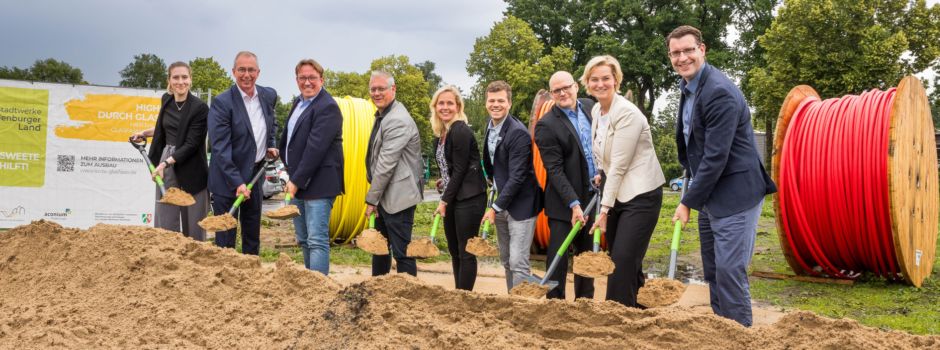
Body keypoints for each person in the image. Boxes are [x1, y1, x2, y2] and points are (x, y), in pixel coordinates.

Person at [667, 25, 777, 326]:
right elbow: (695, 146)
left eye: (688, 50)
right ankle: (721, 332)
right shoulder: (689, 88)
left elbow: (716, 156)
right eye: (676, 53)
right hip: (713, 195)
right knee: (714, 269)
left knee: (730, 271)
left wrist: (687, 201)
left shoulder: (718, 92)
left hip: (736, 195)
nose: (682, 57)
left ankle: (740, 335)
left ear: (702, 49)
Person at [582, 55, 665, 307]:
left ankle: (615, 316)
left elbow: (619, 164)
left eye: (606, 78)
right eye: (594, 79)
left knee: (621, 260)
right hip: (616, 191)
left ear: (616, 80)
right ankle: (638, 309)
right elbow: (602, 152)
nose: (600, 84)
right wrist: (599, 170)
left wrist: (604, 210)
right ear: (587, 82)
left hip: (641, 195)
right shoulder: (597, 109)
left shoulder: (627, 113)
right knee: (625, 260)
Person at [207, 51, 279, 255]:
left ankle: (250, 278)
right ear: (233, 72)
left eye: (251, 70)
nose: (246, 75)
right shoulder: (222, 103)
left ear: (258, 72)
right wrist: (237, 182)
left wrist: (271, 144)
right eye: (242, 70)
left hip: (255, 175)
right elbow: (220, 149)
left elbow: (272, 123)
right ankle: (225, 279)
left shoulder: (268, 96)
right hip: (226, 179)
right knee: (226, 237)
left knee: (251, 234)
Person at [533, 71, 597, 300]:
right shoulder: (546, 125)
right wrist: (573, 204)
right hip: (564, 204)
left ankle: (584, 304)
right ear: (551, 94)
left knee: (587, 257)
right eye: (557, 90)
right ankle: (555, 305)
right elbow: (555, 170)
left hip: (593, 197)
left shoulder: (592, 107)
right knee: (558, 258)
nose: (563, 93)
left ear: (576, 87)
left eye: (566, 87)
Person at [277, 58, 343, 274]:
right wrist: (282, 157)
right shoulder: (299, 102)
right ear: (296, 80)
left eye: (312, 78)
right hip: (299, 181)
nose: (307, 82)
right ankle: (309, 287)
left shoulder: (327, 107)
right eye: (302, 78)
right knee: (304, 239)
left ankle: (320, 292)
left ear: (321, 80)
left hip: (319, 184)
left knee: (316, 240)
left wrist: (294, 181)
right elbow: (291, 138)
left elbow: (316, 149)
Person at [130, 61, 210, 241]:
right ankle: (168, 260)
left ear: (190, 80)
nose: (180, 81)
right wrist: (144, 133)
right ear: (169, 80)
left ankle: (195, 263)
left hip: (191, 166)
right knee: (165, 221)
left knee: (194, 226)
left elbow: (191, 144)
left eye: (184, 77)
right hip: (167, 163)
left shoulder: (200, 108)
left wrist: (165, 163)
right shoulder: (166, 100)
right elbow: (165, 128)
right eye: (176, 77)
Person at [479, 81, 543, 292]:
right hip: (501, 203)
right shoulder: (490, 128)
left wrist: (494, 208)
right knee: (507, 260)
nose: (495, 104)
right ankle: (513, 299)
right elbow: (492, 165)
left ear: (509, 103)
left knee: (518, 262)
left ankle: (525, 306)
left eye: (500, 101)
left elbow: (517, 177)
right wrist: (491, 184)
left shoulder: (518, 133)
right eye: (491, 100)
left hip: (521, 205)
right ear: (486, 102)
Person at [364, 70, 424, 277]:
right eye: (373, 89)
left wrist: (371, 200)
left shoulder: (397, 119)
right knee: (379, 249)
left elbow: (385, 164)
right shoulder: (385, 114)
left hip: (399, 197)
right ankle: (377, 292)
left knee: (402, 252)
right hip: (386, 195)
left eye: (381, 89)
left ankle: (408, 298)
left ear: (393, 89)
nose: (376, 93)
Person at [430, 85, 486, 291]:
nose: (445, 107)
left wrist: (444, 201)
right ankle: (458, 294)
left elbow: (461, 170)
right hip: (454, 196)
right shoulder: (442, 134)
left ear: (458, 106)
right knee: (454, 250)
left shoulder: (460, 130)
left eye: (449, 103)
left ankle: (464, 298)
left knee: (466, 251)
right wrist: (444, 180)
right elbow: (452, 167)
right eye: (441, 103)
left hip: (470, 199)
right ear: (435, 107)